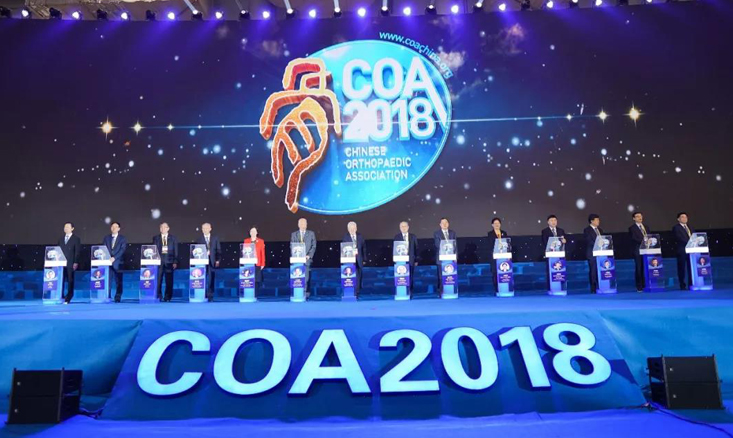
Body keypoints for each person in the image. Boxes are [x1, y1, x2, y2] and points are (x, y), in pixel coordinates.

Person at [290, 218, 316, 297]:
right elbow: (291, 246)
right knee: (296, 277)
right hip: (297, 260)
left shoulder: (311, 234)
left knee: (306, 278)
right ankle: (297, 294)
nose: (303, 225)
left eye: (304, 223)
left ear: (306, 224)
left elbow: (313, 246)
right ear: (298, 225)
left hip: (306, 260)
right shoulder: (294, 234)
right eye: (301, 223)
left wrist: (309, 255)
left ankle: (304, 294)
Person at [103, 221, 128, 303]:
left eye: (115, 227)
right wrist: (107, 258)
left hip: (118, 263)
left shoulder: (122, 238)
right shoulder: (106, 238)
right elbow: (103, 249)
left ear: (119, 228)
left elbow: (122, 250)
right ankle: (107, 295)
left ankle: (118, 296)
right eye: (112, 227)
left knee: (119, 281)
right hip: (108, 263)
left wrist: (114, 258)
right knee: (108, 281)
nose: (114, 228)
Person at [153, 222, 178, 302]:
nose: (163, 229)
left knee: (169, 280)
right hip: (159, 262)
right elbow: (154, 250)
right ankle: (158, 296)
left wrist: (175, 261)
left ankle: (168, 297)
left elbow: (176, 250)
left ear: (168, 228)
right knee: (158, 280)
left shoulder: (173, 238)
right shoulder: (156, 238)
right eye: (161, 227)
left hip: (169, 262)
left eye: (164, 227)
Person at [196, 223, 221, 302]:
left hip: (212, 261)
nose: (205, 230)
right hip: (202, 262)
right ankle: (202, 294)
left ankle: (210, 295)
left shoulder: (215, 238)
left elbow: (218, 250)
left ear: (210, 229)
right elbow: (196, 250)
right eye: (203, 228)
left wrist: (218, 260)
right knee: (202, 278)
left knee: (211, 279)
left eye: (206, 228)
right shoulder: (199, 239)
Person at [57, 222, 80, 304]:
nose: (66, 228)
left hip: (70, 263)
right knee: (61, 280)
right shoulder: (61, 239)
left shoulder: (76, 239)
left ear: (72, 228)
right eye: (65, 227)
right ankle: (61, 295)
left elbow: (77, 251)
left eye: (67, 227)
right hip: (61, 263)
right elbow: (58, 250)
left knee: (70, 280)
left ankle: (69, 297)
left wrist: (75, 262)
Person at [541, 215, 566, 289]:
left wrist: (564, 241)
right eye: (551, 220)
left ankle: (561, 287)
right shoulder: (545, 231)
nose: (553, 222)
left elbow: (564, 240)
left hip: (560, 254)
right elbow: (545, 242)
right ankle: (551, 288)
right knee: (550, 271)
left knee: (561, 270)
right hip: (550, 254)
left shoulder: (561, 230)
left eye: (555, 220)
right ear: (548, 222)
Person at [629, 211, 652, 292]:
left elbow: (650, 236)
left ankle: (647, 284)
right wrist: (644, 241)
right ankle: (639, 285)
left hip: (647, 250)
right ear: (634, 218)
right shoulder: (632, 228)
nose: (640, 217)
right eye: (637, 216)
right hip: (638, 250)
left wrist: (650, 241)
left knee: (647, 267)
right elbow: (634, 238)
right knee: (639, 268)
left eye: (641, 216)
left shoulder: (646, 227)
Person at [433, 217, 457, 295]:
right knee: (441, 276)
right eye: (443, 223)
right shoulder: (437, 233)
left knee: (451, 275)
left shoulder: (452, 233)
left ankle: (451, 291)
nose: (444, 224)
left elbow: (455, 245)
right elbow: (437, 245)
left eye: (446, 222)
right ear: (440, 224)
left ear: (448, 224)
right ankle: (442, 292)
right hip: (441, 258)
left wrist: (455, 256)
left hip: (451, 258)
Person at [342, 221, 366, 297]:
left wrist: (364, 259)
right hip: (349, 260)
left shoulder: (360, 236)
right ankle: (351, 292)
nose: (352, 230)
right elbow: (343, 249)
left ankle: (357, 292)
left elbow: (364, 248)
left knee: (358, 276)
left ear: (356, 228)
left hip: (359, 259)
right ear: (348, 229)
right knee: (350, 276)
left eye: (353, 228)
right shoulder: (345, 237)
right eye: (350, 229)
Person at [394, 221, 418, 294]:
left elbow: (416, 248)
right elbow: (395, 249)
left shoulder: (413, 237)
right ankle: (401, 292)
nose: (403, 228)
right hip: (400, 261)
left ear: (408, 227)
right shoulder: (397, 237)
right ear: (400, 228)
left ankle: (410, 291)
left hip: (410, 259)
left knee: (410, 276)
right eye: (402, 226)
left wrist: (416, 260)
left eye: (405, 226)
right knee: (401, 276)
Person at [672, 212, 694, 290]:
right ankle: (682, 284)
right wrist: (690, 242)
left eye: (686, 217)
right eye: (682, 217)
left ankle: (692, 283)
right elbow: (679, 238)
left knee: (691, 267)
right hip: (682, 250)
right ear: (678, 219)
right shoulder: (676, 228)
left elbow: (694, 236)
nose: (684, 218)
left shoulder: (690, 227)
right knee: (682, 268)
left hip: (691, 250)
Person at [487, 217, 509, 292]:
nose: (497, 225)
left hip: (503, 256)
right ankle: (497, 289)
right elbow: (491, 245)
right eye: (495, 223)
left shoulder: (504, 233)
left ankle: (504, 288)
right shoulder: (490, 234)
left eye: (498, 223)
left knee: (504, 272)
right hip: (495, 257)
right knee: (495, 273)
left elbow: (507, 243)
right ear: (492, 225)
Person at [583, 214, 603, 293]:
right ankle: (593, 288)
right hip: (592, 253)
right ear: (592, 221)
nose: (598, 221)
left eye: (598, 220)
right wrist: (598, 244)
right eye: (597, 220)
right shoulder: (587, 230)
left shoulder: (600, 230)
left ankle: (601, 285)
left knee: (601, 269)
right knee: (593, 270)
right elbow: (588, 241)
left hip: (601, 252)